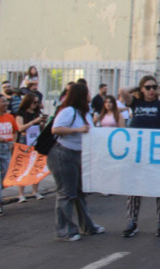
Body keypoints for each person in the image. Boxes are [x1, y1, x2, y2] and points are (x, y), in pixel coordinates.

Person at [119, 76, 160, 237]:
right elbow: (123, 92)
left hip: (157, 153)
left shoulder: (159, 104)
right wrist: (139, 85)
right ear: (142, 89)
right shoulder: (136, 103)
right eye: (148, 88)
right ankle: (132, 221)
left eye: (153, 87)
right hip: (138, 152)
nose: (151, 90)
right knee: (135, 188)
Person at [47, 83, 104, 240]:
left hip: (78, 155)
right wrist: (78, 130)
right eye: (87, 93)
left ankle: (87, 225)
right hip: (63, 154)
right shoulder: (68, 111)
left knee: (80, 191)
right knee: (66, 193)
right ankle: (64, 230)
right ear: (81, 95)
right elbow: (56, 129)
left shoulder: (84, 113)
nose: (90, 95)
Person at [15, 92, 48, 202]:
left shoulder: (36, 113)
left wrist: (42, 123)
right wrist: (34, 121)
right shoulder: (20, 113)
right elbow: (20, 128)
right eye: (34, 102)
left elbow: (40, 129)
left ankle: (35, 191)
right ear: (28, 102)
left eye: (37, 103)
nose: (36, 105)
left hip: (35, 140)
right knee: (23, 167)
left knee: (36, 166)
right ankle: (21, 194)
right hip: (24, 141)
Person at [0, 95, 19, 216]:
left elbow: (16, 130)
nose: (6, 103)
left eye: (6, 101)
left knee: (7, 175)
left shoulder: (9, 116)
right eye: (3, 102)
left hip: (7, 148)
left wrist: (14, 143)